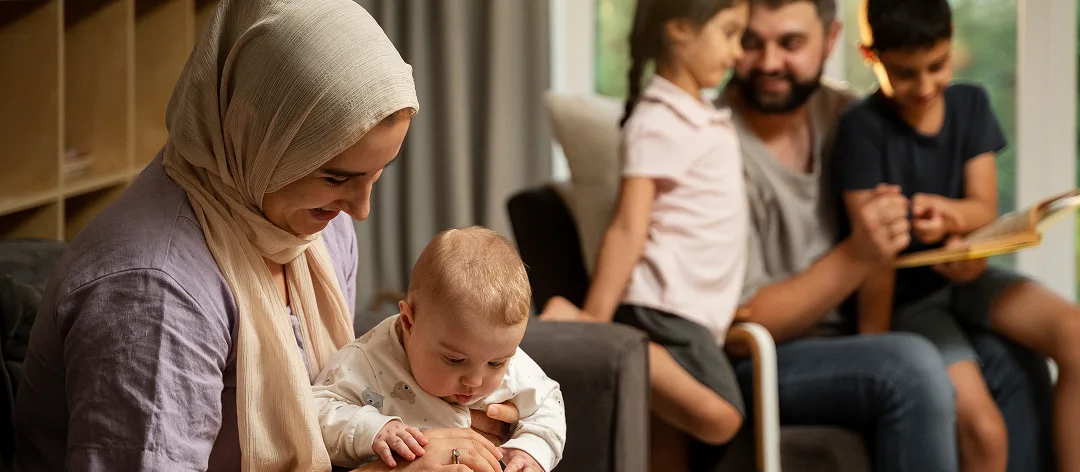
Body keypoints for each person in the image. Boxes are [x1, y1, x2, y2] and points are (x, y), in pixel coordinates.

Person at [12, 1, 514, 471]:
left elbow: (340, 390)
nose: (359, 211)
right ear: (252, 132)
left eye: (377, 173)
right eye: (336, 178)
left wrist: (448, 410)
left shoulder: (309, 223)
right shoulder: (153, 294)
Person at [714, 0, 1056, 470]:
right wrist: (861, 253)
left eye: (791, 43)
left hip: (862, 328)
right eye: (752, 42)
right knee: (910, 364)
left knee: (1013, 359)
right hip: (768, 355)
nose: (770, 63)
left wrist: (964, 249)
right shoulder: (710, 145)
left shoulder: (846, 113)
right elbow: (740, 327)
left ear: (830, 41)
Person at [836, 1, 1080, 471]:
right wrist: (875, 344)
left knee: (1074, 332)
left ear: (951, 43)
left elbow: (983, 208)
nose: (925, 86)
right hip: (911, 299)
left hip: (971, 277)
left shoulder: (970, 105)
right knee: (984, 430)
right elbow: (873, 255)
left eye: (937, 65)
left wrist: (949, 217)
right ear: (871, 57)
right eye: (905, 73)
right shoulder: (862, 129)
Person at [542, 0, 751, 468]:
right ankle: (592, 333)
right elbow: (628, 226)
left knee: (663, 448)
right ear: (680, 29)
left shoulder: (698, 115)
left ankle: (607, 338)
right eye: (729, 33)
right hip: (665, 305)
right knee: (722, 417)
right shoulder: (659, 119)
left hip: (692, 312)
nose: (738, 52)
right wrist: (593, 322)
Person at [314, 227, 566, 472]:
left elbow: (547, 403)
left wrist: (531, 450)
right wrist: (374, 429)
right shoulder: (364, 362)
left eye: (495, 364)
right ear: (409, 322)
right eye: (455, 360)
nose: (475, 381)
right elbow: (318, 409)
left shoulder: (500, 356)